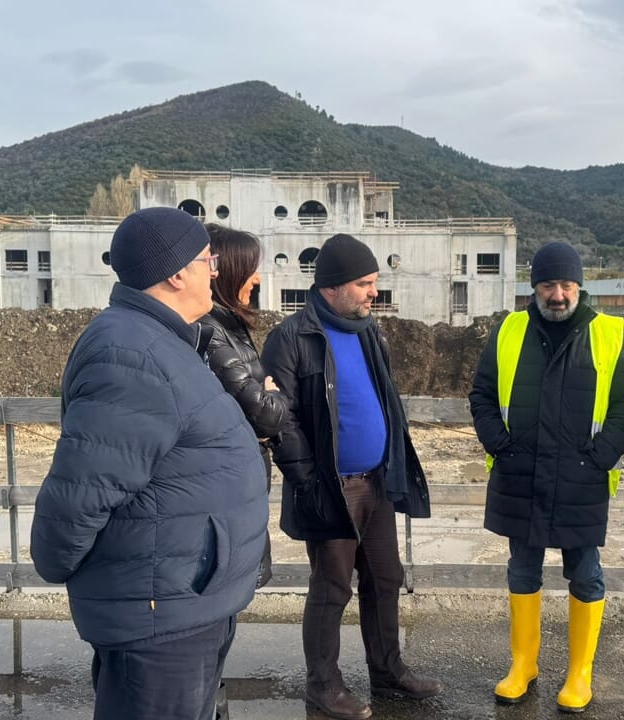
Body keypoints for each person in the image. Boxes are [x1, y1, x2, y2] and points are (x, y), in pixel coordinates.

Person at [30, 207, 268, 720]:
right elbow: (80, 495)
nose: (215, 272)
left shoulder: (160, 340)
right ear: (176, 273)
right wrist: (61, 564)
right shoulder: (131, 353)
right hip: (160, 615)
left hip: (182, 598)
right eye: (208, 260)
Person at [262, 233, 441, 720]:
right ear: (332, 286)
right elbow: (280, 419)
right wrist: (307, 480)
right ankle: (323, 685)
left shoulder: (369, 331)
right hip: (330, 489)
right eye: (364, 284)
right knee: (332, 587)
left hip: (376, 482)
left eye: (374, 282)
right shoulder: (291, 337)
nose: (373, 293)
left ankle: (387, 672)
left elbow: (381, 398)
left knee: (386, 578)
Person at [469, 241, 624, 712]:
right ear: (534, 288)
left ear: (579, 287)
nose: (558, 294)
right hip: (520, 475)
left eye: (567, 284)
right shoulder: (509, 330)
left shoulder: (609, 333)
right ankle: (523, 665)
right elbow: (482, 394)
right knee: (522, 570)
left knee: (585, 574)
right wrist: (500, 445)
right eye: (548, 284)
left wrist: (600, 457)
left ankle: (579, 674)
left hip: (581, 480)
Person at [197, 223, 287, 589]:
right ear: (226, 272)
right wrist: (275, 397)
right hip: (228, 492)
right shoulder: (212, 331)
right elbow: (265, 415)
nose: (258, 278)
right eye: (250, 269)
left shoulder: (229, 325)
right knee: (224, 595)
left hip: (242, 488)